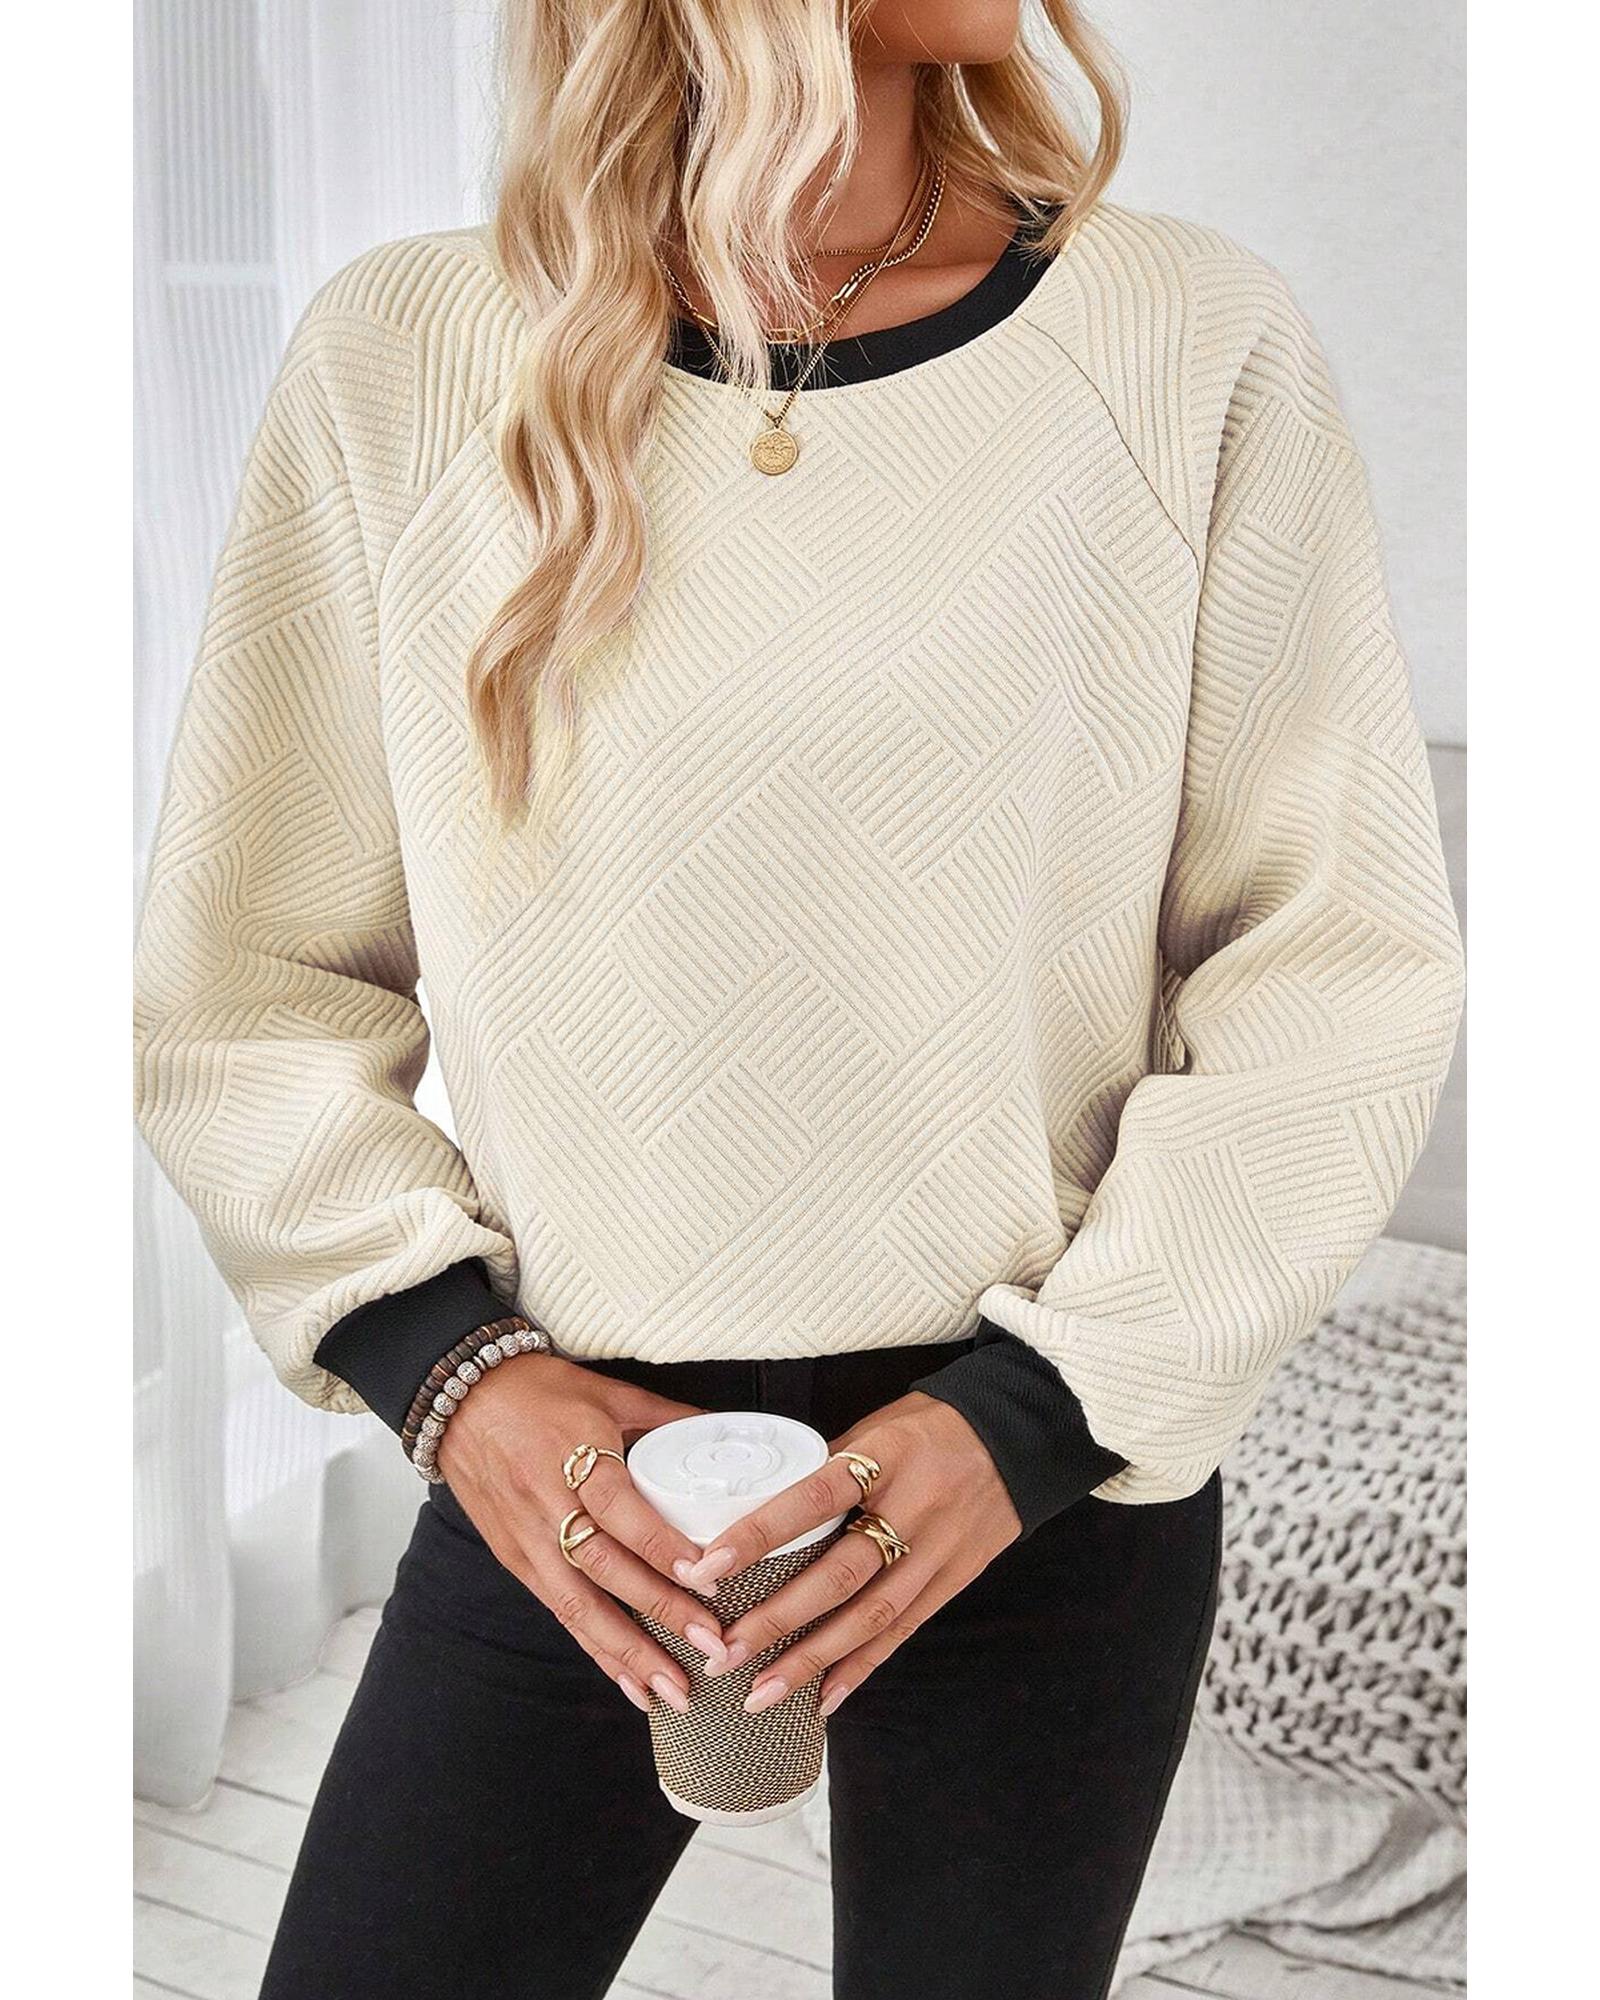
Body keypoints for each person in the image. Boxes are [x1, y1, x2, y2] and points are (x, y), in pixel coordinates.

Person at [131, 3, 1465, 1994]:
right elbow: (245, 978)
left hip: (1036, 1477)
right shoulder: (405, 356)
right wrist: (448, 1370)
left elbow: (1331, 968)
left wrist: (1038, 1419)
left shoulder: (1186, 342)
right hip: (581, 1478)